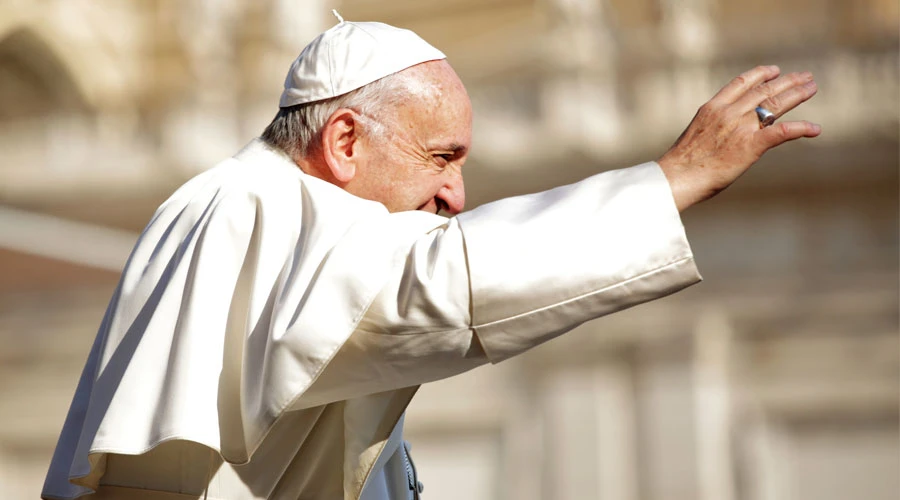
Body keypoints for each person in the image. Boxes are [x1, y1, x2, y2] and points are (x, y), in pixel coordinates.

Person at [41, 18, 820, 500]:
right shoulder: (254, 207)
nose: (455, 194)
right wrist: (674, 178)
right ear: (345, 142)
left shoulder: (271, 213)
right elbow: (439, 283)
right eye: (441, 157)